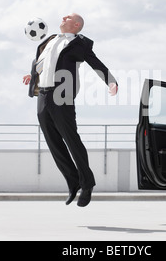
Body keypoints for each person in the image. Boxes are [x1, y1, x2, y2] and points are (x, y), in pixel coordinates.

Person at [23, 13, 118, 207]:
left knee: (71, 139)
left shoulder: (79, 45)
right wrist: (31, 75)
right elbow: (43, 64)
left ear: (75, 25)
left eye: (68, 16)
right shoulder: (49, 40)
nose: (63, 17)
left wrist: (111, 81)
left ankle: (87, 183)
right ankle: (73, 182)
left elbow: (95, 63)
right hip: (43, 96)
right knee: (53, 142)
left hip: (62, 96)